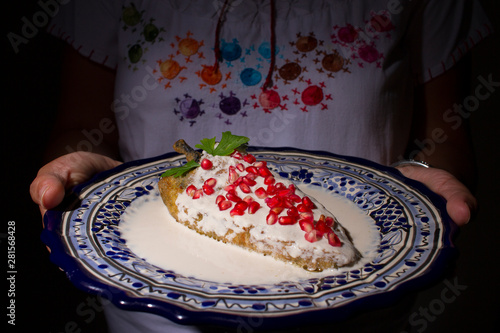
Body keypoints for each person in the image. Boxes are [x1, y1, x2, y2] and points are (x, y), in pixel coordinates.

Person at [30, 0, 490, 331]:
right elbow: (81, 124)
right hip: (153, 314)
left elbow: (445, 136)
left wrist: (418, 182)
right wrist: (84, 174)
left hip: (357, 309)